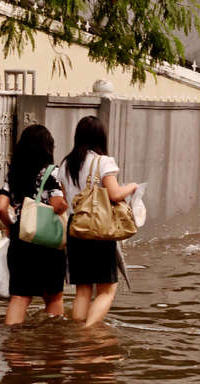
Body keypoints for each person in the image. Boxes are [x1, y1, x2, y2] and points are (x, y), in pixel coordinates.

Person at [59, 116, 138, 327]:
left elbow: (67, 199)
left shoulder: (66, 164)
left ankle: (76, 331)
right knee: (107, 289)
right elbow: (114, 194)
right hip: (98, 229)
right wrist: (131, 187)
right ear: (100, 137)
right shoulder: (103, 162)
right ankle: (88, 332)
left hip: (76, 228)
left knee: (83, 290)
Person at [0, 125, 68, 325]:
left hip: (21, 236)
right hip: (47, 239)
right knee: (53, 296)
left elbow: (1, 207)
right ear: (47, 148)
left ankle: (13, 344)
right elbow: (57, 205)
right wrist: (66, 204)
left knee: (20, 296)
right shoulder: (52, 173)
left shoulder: (13, 173)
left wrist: (11, 226)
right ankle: (51, 341)